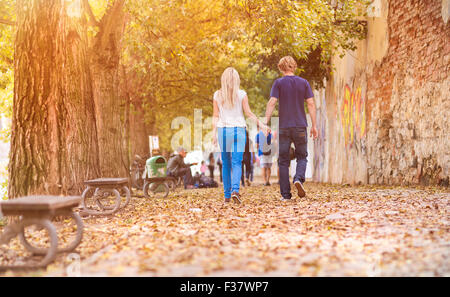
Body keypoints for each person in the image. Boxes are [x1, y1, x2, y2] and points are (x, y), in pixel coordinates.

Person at [212, 67, 269, 203]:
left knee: (226, 163)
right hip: (239, 131)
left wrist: (214, 133)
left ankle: (227, 196)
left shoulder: (217, 95)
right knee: (237, 162)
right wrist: (262, 125)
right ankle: (235, 190)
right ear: (237, 79)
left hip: (223, 131)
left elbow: (215, 115)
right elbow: (248, 113)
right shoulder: (242, 94)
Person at [265, 56, 318, 200]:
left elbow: (272, 102)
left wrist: (265, 123)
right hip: (300, 125)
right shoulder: (304, 83)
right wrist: (314, 125)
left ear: (281, 68)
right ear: (294, 66)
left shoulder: (278, 83)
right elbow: (311, 104)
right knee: (302, 156)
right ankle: (298, 179)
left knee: (283, 160)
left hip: (284, 127)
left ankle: (286, 195)